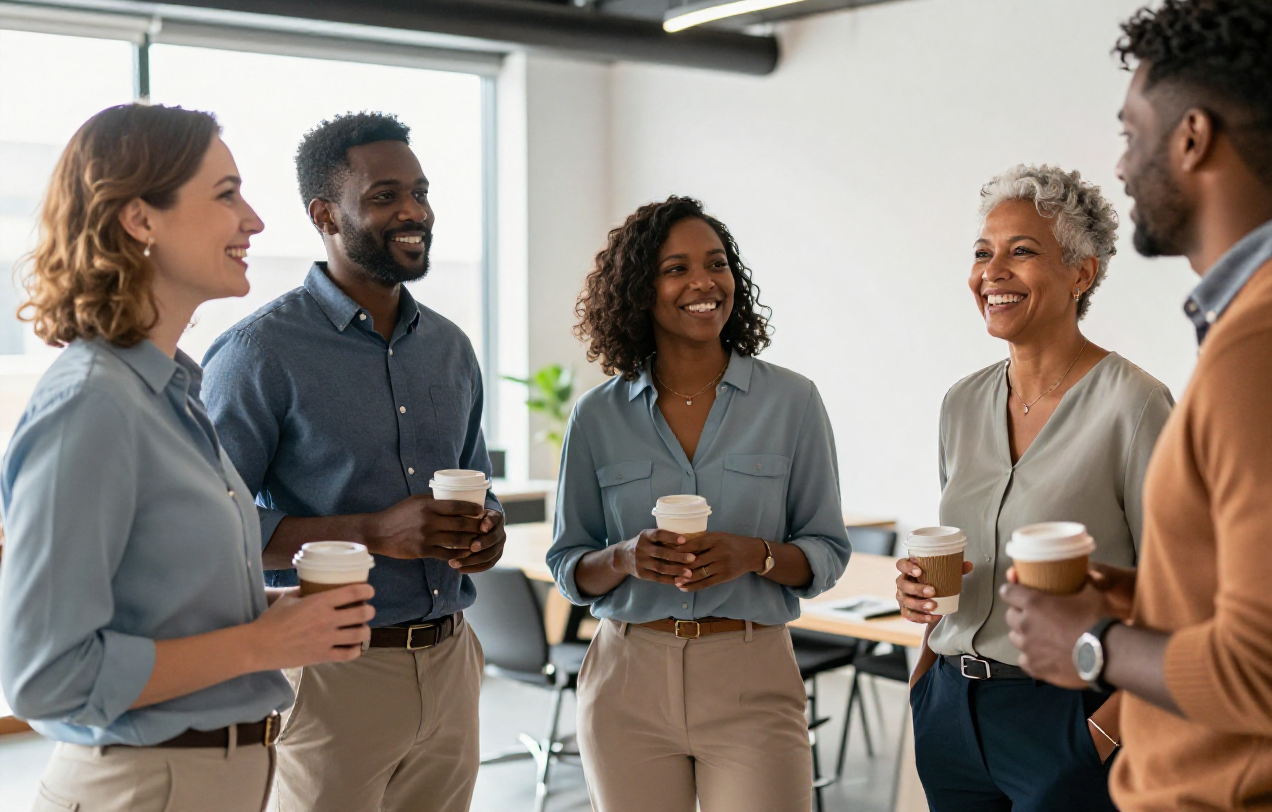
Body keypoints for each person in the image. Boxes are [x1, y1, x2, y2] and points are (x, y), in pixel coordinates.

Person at [1003, 0, 1272, 811]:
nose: (1120, 164)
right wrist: (1157, 602)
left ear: (1192, 138)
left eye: (1131, 133)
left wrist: (1089, 643)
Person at [0, 103, 372, 812]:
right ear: (140, 220)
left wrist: (281, 616)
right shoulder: (93, 406)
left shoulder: (172, 394)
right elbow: (46, 676)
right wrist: (261, 644)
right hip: (143, 788)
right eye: (226, 194)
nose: (255, 220)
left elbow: (151, 606)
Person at [201, 112, 504, 812]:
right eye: (384, 195)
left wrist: (483, 533)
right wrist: (372, 532)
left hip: (452, 661)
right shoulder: (259, 354)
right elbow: (215, 532)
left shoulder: (452, 350)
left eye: (420, 192)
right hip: (333, 670)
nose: (413, 212)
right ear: (324, 215)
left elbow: (475, 482)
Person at [546, 196, 851, 812]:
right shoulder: (597, 416)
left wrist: (756, 555)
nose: (703, 282)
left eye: (715, 264)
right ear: (641, 290)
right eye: (675, 268)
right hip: (627, 679)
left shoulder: (791, 401)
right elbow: (568, 565)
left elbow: (826, 551)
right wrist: (626, 558)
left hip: (751, 675)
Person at [893, 165, 1173, 811]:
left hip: (1073, 715)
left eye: (1021, 252)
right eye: (983, 253)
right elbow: (969, 559)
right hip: (950, 708)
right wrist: (924, 654)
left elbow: (1184, 588)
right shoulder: (961, 403)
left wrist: (1104, 731)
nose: (993, 271)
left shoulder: (1134, 404)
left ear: (1082, 272)